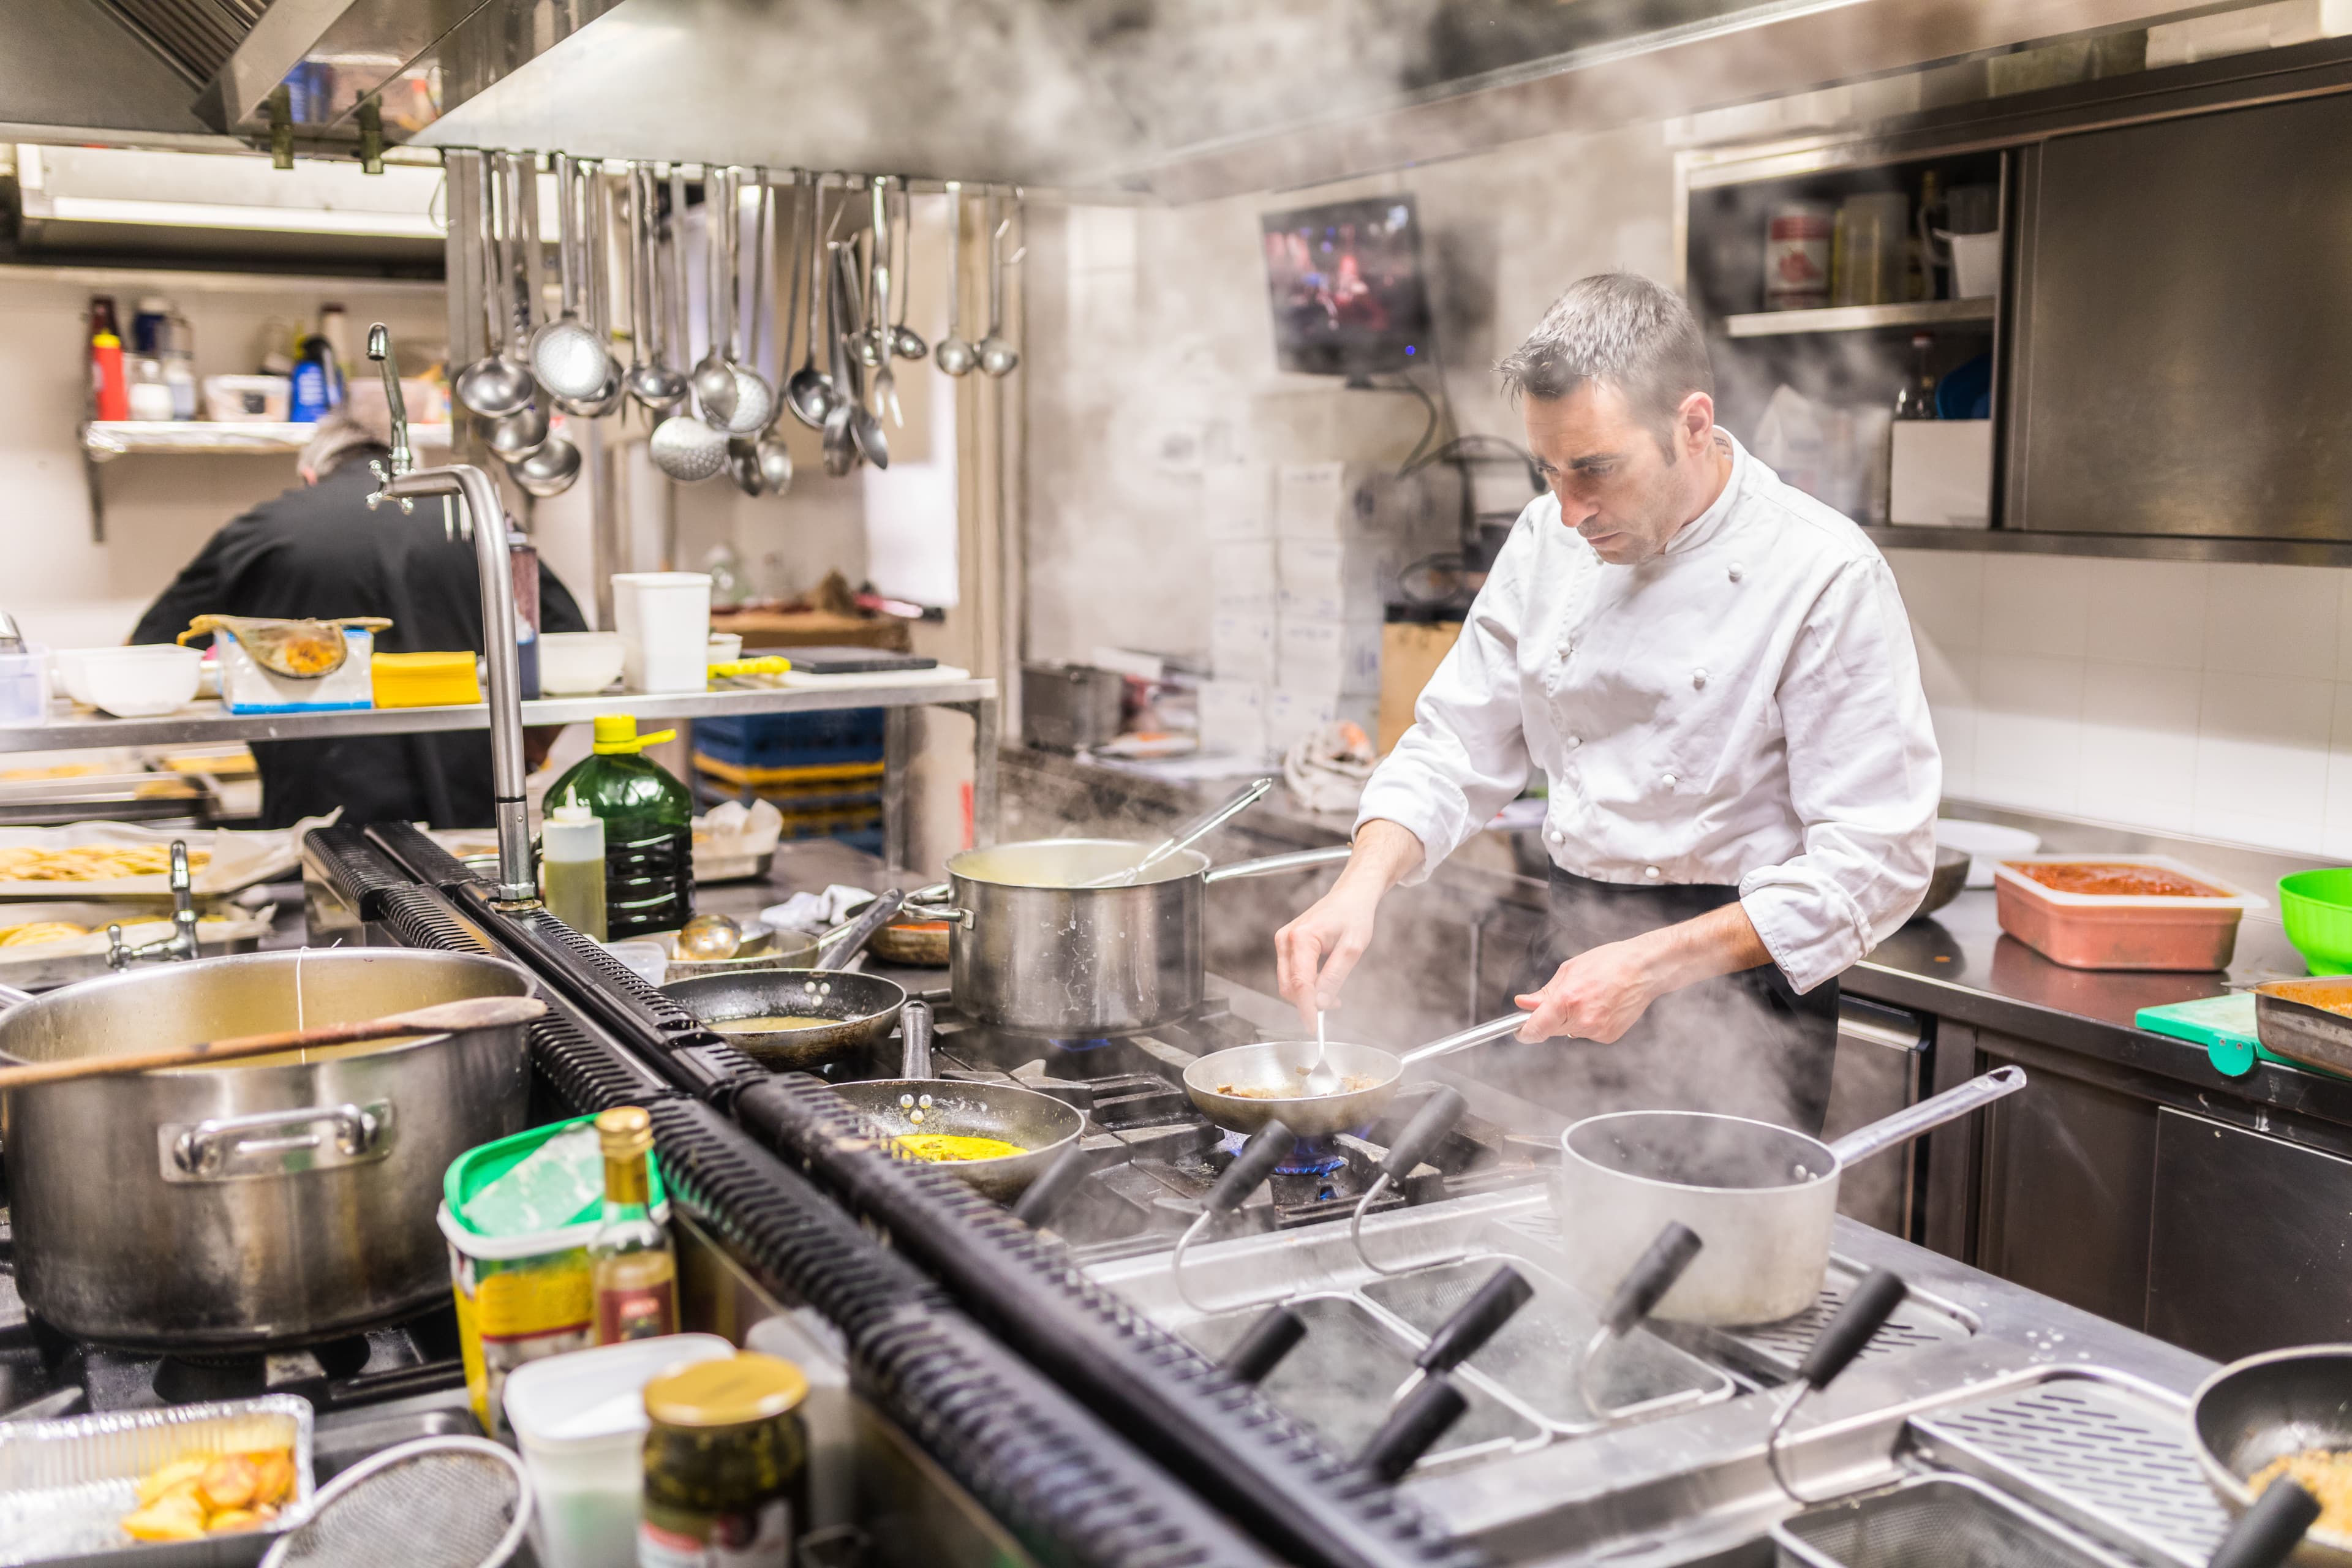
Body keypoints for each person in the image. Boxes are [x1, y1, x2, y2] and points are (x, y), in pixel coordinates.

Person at [1275, 274, 1939, 1133]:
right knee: (1525, 1203)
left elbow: (1877, 863)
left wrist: (1651, 966)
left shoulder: (1823, 571)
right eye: (1549, 472)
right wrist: (1358, 885)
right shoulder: (1544, 540)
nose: (1569, 512)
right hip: (1572, 960)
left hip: (1740, 998)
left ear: (1692, 425)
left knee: (1702, 1225)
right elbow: (1454, 746)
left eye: (1596, 470)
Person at [130, 384, 587, 829]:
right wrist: (528, 749)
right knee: (461, 884)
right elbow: (571, 643)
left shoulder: (264, 528)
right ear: (408, 463)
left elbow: (149, 652)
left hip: (315, 802)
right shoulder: (473, 518)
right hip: (470, 799)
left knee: (325, 880)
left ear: (310, 473)